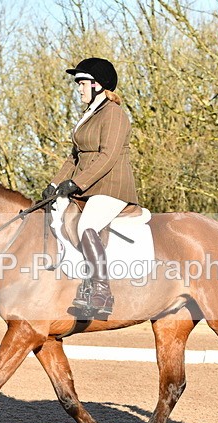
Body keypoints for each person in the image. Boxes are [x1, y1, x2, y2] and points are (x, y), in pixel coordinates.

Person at [43, 57, 139, 316]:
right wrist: (54, 184)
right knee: (57, 217)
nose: (79, 88)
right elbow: (75, 157)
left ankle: (102, 292)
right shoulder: (89, 115)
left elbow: (108, 156)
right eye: (78, 84)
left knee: (87, 225)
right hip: (87, 186)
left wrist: (77, 182)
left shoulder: (114, 114)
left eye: (82, 83)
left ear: (98, 85)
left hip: (111, 186)